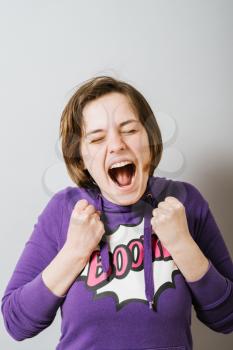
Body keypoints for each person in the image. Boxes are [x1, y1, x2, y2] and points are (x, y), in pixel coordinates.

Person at [1, 76, 233, 350]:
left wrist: (183, 245)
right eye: (97, 138)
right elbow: (17, 324)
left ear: (150, 138)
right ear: (81, 158)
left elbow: (226, 318)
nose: (116, 145)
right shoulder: (65, 210)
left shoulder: (184, 202)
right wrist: (74, 252)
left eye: (130, 130)